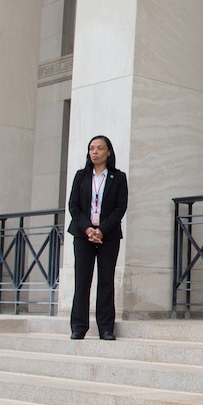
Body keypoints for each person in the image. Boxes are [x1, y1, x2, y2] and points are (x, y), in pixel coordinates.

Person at [67, 135, 129, 340]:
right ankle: (78, 327)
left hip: (108, 236)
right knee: (82, 281)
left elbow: (120, 207)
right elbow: (74, 206)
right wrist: (88, 229)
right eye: (91, 148)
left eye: (99, 148)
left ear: (108, 152)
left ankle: (106, 328)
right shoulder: (81, 176)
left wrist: (101, 230)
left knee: (106, 281)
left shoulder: (118, 177)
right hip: (83, 235)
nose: (94, 152)